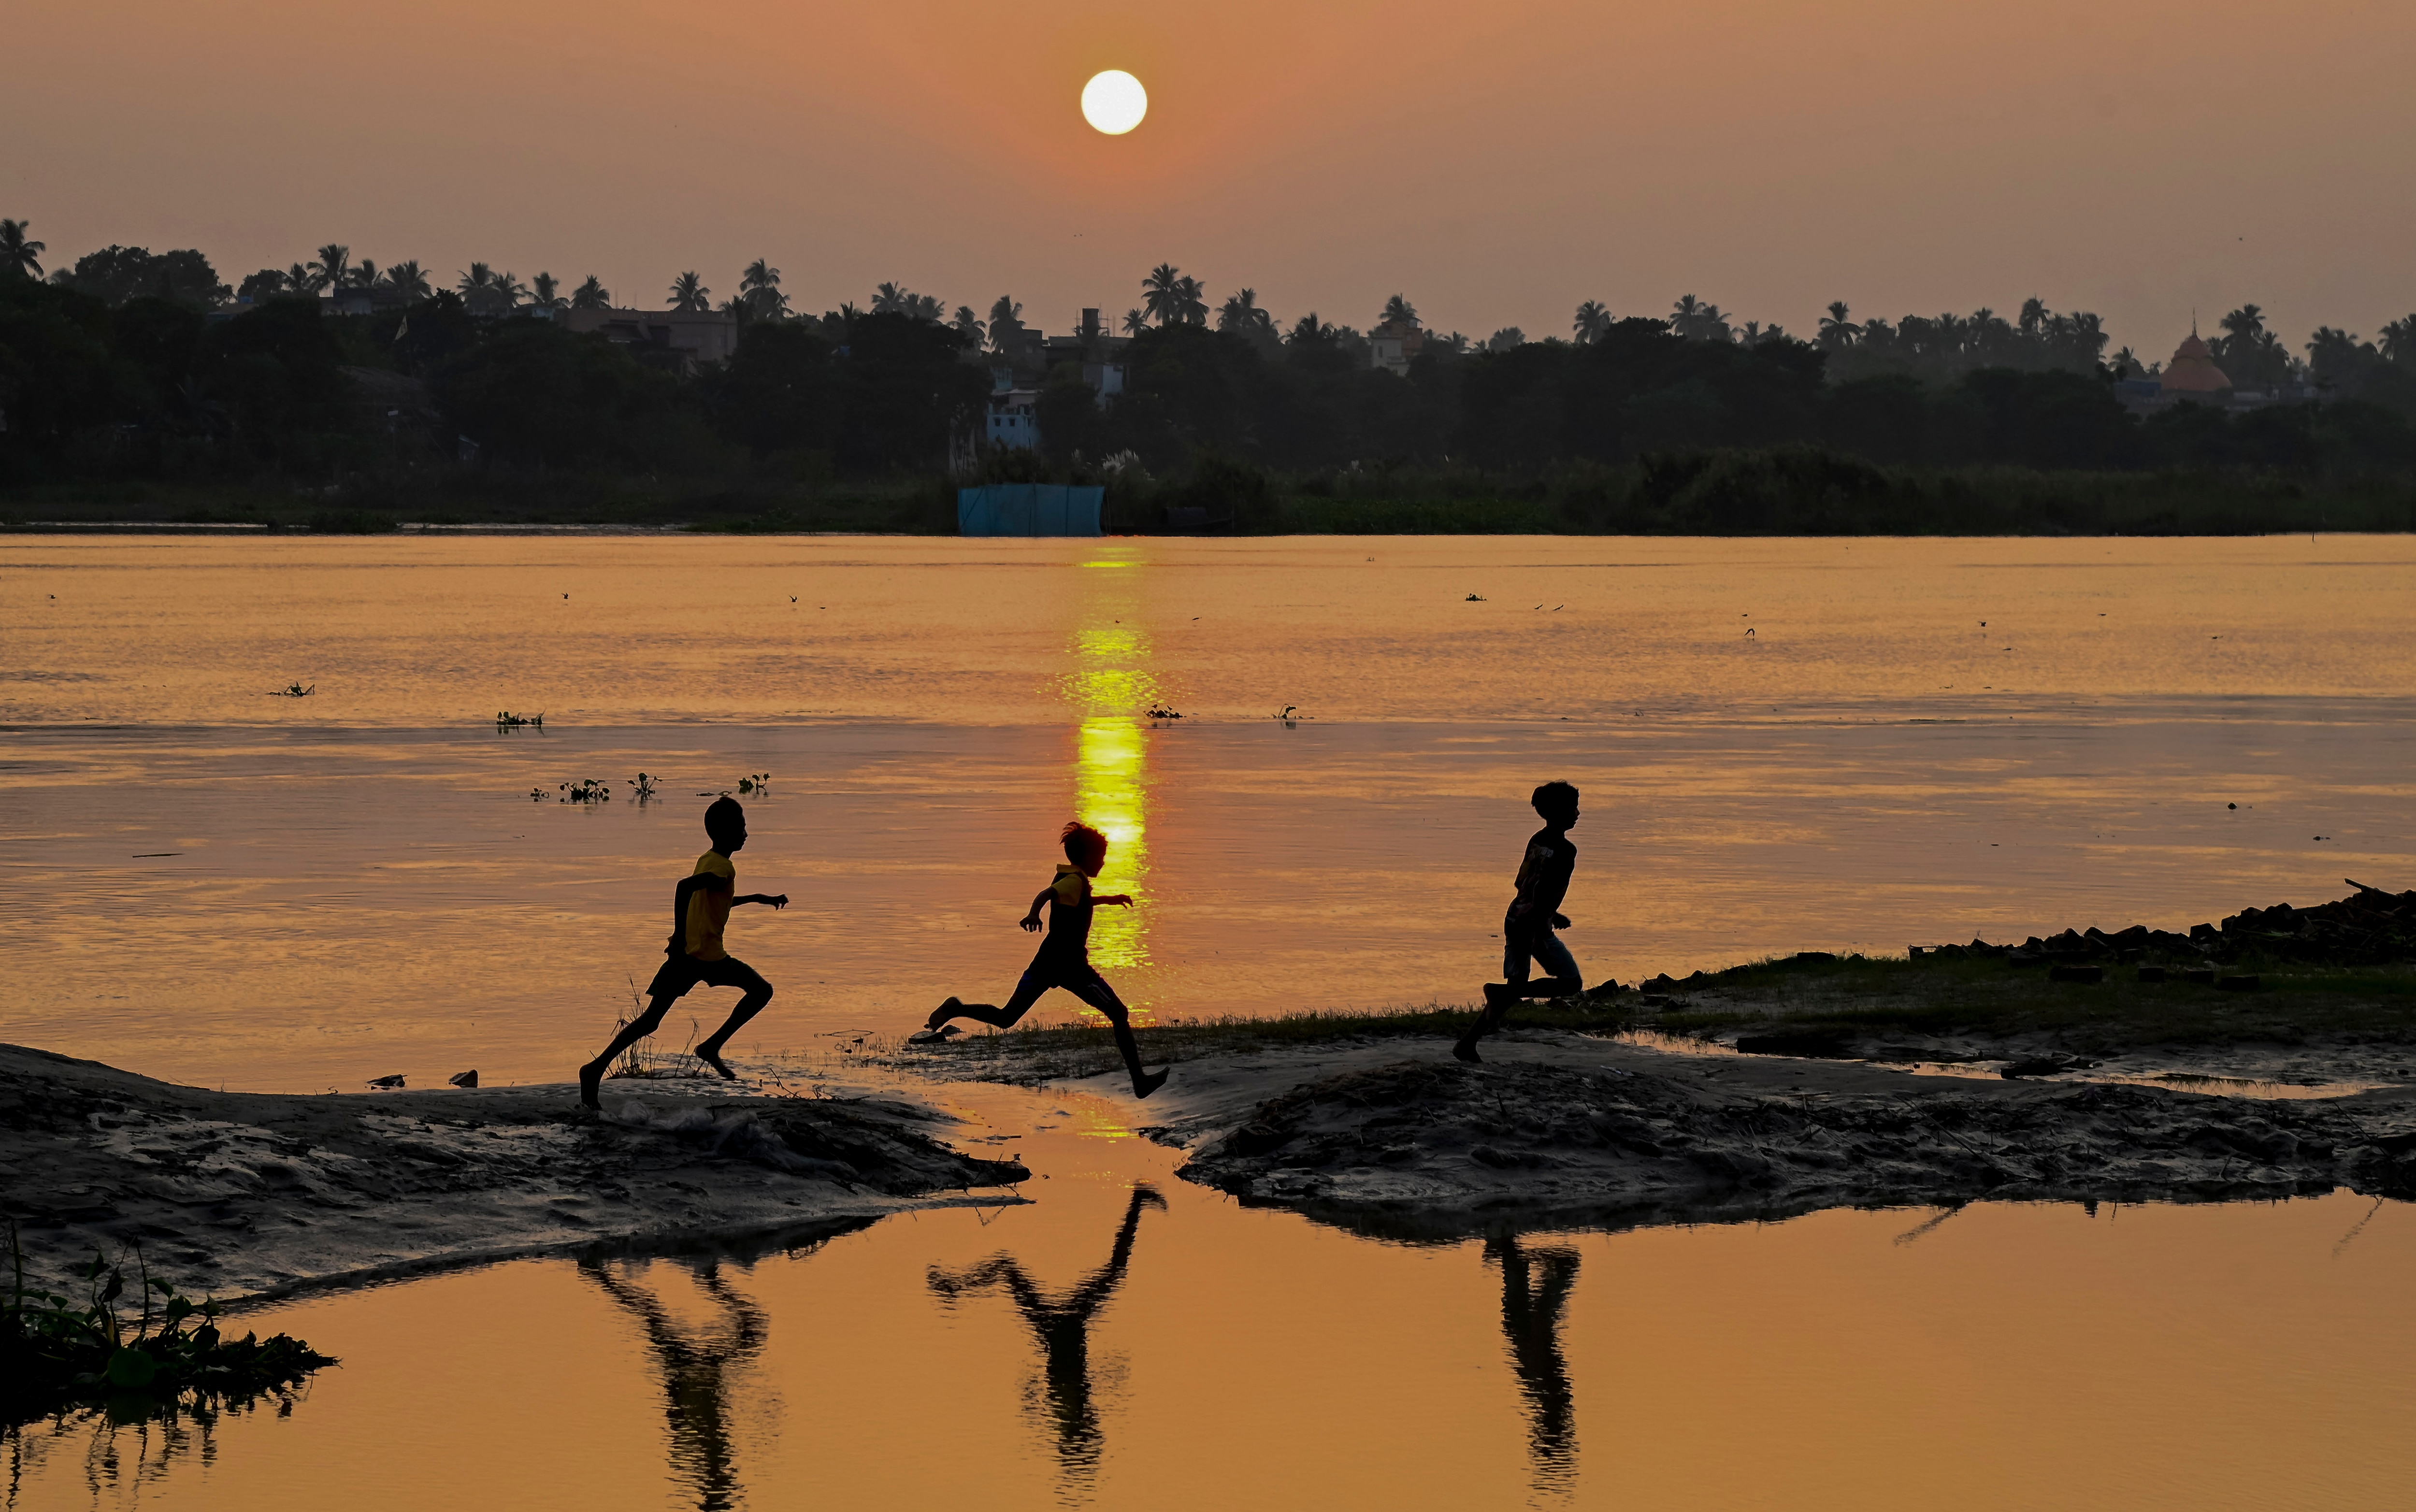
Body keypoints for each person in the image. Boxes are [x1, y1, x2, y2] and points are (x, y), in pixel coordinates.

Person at [916, 821, 1167, 1099]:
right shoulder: (1074, 880)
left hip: (1046, 962)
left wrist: (1108, 900)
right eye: (1101, 857)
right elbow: (1048, 894)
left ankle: (956, 1008)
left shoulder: (1072, 880)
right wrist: (1034, 913)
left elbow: (1076, 901)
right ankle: (1139, 1082)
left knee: (1006, 1017)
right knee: (1119, 1013)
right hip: (1072, 968)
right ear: (1088, 857)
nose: (1104, 862)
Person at [580, 796, 787, 1109]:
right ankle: (711, 1046)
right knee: (762, 991)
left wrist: (759, 898)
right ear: (726, 832)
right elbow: (684, 888)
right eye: (741, 827)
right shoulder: (724, 867)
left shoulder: (708, 859)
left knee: (650, 1021)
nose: (746, 834)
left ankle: (595, 1069)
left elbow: (715, 900)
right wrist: (678, 936)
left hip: (688, 958)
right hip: (706, 957)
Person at [1455, 780, 1585, 1063]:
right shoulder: (1566, 851)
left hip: (1515, 916)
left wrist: (1551, 913)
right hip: (1534, 925)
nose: (1578, 813)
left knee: (1510, 993)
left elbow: (1523, 883)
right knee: (1571, 983)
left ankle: (1468, 1044)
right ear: (1558, 812)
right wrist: (1545, 921)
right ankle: (1499, 992)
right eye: (1573, 808)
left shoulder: (1536, 840)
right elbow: (1544, 890)